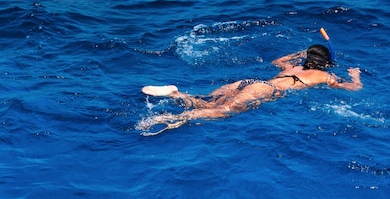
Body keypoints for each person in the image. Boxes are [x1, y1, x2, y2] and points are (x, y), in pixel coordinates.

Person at [137, 45, 362, 135]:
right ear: (325, 64)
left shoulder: (293, 65)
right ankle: (173, 118)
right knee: (222, 112)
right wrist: (355, 74)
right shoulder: (323, 76)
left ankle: (177, 95)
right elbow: (353, 89)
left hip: (248, 81)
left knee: (209, 102)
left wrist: (299, 53)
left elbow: (277, 61)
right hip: (264, 90)